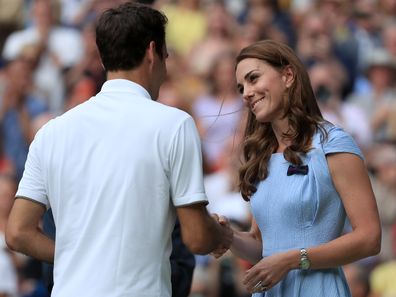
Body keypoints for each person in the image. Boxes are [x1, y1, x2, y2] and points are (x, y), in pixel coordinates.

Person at [5, 3, 232, 297]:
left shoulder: (52, 132)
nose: (165, 68)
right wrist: (219, 232)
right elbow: (198, 237)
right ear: (153, 52)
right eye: (166, 55)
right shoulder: (175, 124)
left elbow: (18, 232)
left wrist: (81, 258)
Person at [214, 40, 381, 297]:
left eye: (253, 78)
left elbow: (370, 238)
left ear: (288, 76)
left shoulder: (333, 143)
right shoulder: (260, 156)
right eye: (241, 87)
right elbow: (262, 246)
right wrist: (229, 237)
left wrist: (292, 260)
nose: (246, 92)